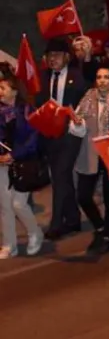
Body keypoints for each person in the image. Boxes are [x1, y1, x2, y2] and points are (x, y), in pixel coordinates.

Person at [73, 65, 109, 254]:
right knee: (83, 195)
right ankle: (100, 226)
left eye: (107, 77)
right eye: (99, 77)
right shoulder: (88, 98)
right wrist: (77, 123)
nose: (102, 80)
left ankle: (106, 235)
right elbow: (76, 127)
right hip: (91, 152)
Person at [38, 38, 87, 240]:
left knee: (60, 175)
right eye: (49, 56)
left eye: (57, 55)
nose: (53, 59)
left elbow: (85, 101)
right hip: (49, 133)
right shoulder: (43, 77)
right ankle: (73, 218)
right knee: (62, 176)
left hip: (70, 132)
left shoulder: (78, 76)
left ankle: (56, 223)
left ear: (67, 57)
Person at [0, 77, 44, 258]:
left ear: (15, 91)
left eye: (2, 88)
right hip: (2, 163)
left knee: (18, 204)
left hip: (24, 163)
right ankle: (9, 245)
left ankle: (35, 233)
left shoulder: (27, 111)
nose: (0, 91)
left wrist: (13, 155)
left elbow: (33, 139)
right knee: (4, 206)